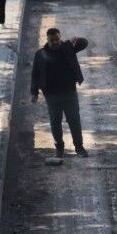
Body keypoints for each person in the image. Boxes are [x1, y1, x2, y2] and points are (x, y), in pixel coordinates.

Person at [31, 28, 89, 159]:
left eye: (57, 39)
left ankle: (79, 147)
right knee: (55, 121)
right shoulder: (40, 54)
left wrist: (77, 40)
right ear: (47, 40)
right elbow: (35, 74)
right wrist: (33, 92)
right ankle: (59, 148)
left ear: (60, 37)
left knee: (74, 120)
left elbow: (85, 43)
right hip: (51, 95)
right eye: (52, 40)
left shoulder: (68, 47)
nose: (56, 42)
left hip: (69, 92)